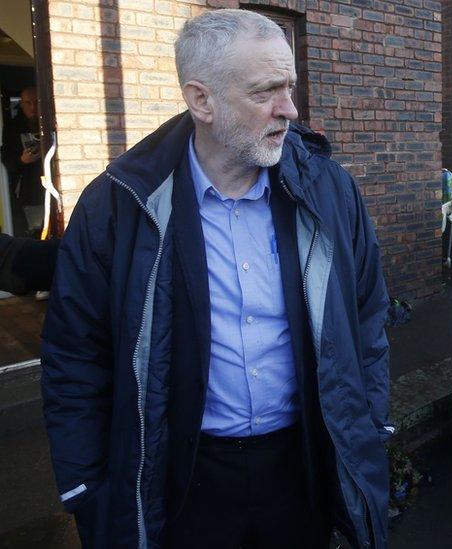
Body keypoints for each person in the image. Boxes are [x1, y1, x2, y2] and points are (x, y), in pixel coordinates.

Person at [41, 9, 393, 549]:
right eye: (265, 92)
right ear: (201, 100)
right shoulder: (119, 205)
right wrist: (85, 486)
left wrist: (370, 428)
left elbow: (367, 317)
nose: (289, 109)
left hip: (300, 469)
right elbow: (74, 356)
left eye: (290, 87)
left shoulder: (329, 190)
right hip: (180, 480)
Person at [1, 86, 45, 237]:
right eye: (28, 103)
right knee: (34, 233)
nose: (33, 107)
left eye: (36, 102)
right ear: (21, 104)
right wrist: (22, 160)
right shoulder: (13, 127)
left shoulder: (50, 121)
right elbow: (6, 159)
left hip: (52, 186)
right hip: (29, 191)